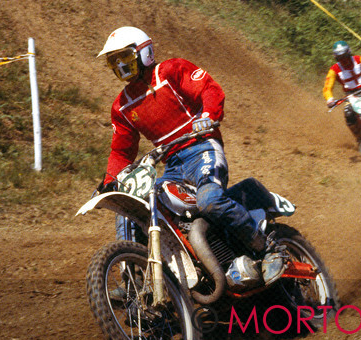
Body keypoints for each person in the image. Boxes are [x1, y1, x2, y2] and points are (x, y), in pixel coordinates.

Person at [96, 26, 269, 253]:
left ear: (143, 52)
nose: (120, 65)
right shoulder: (121, 106)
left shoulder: (170, 71)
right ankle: (133, 280)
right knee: (134, 207)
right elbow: (121, 151)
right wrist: (110, 181)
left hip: (202, 148)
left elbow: (208, 89)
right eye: (114, 60)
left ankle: (265, 248)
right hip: (173, 165)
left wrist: (208, 115)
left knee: (210, 201)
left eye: (125, 56)